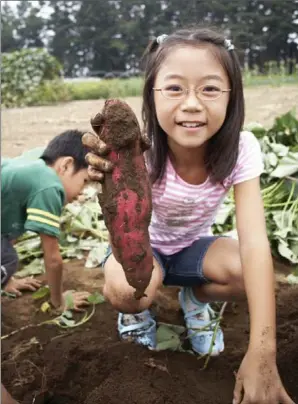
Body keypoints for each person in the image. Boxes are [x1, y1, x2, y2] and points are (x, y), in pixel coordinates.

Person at [85, 27, 294, 404]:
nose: (193, 104)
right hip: (142, 252)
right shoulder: (139, 150)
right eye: (175, 88)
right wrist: (106, 175)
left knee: (253, 271)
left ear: (233, 97)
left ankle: (195, 300)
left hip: (192, 249)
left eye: (210, 88)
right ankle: (136, 316)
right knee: (127, 291)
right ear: (152, 95)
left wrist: (264, 351)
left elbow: (254, 240)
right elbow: (122, 214)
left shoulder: (241, 148)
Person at [1, 130, 91, 312]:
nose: (82, 192)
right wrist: (59, 302)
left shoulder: (39, 161)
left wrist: (7, 279)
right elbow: (53, 259)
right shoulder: (50, 186)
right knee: (8, 259)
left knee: (5, 256)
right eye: (84, 181)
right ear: (66, 165)